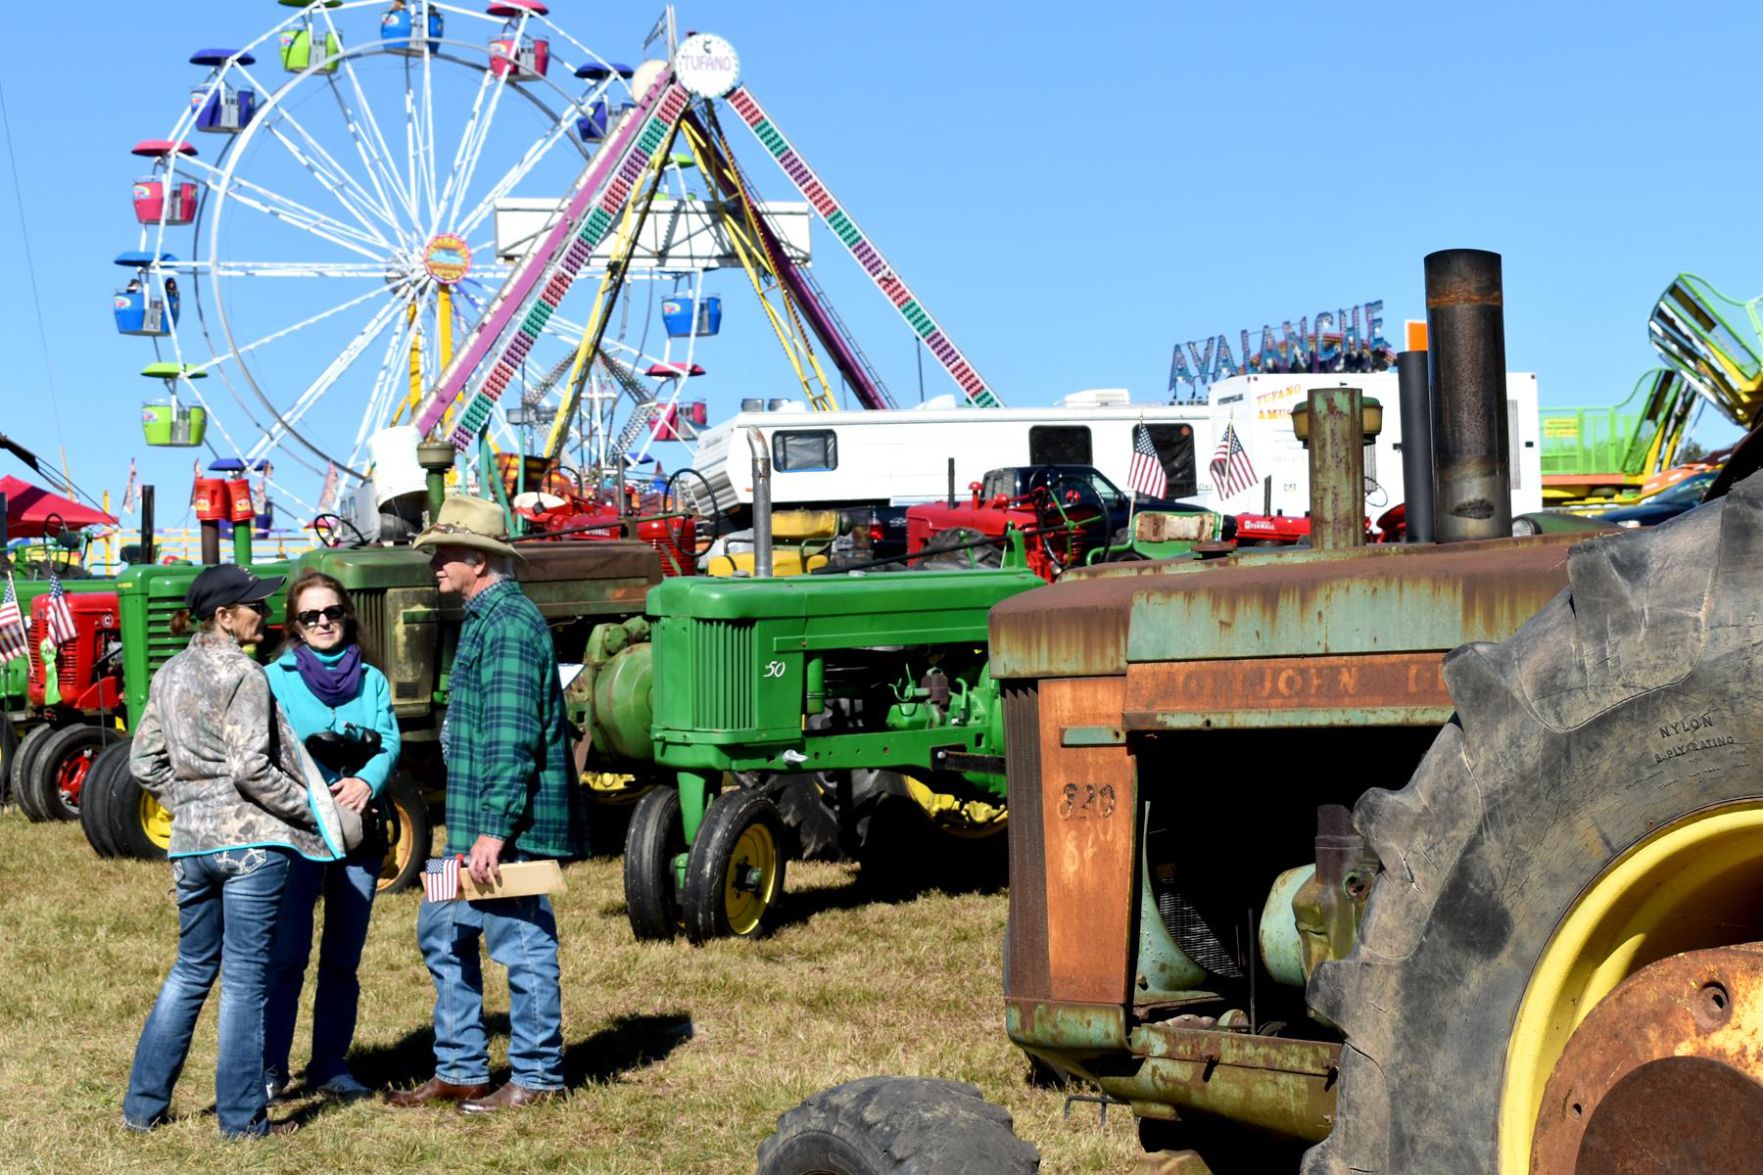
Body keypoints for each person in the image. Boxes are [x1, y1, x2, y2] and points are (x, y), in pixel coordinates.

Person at [124, 565, 350, 1138]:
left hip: (191, 848)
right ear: (224, 617)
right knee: (247, 979)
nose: (265, 614)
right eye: (253, 605)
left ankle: (141, 1109)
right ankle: (242, 1122)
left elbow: (142, 763)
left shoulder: (169, 673)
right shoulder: (246, 675)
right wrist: (316, 812)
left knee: (191, 970)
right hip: (252, 845)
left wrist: (193, 806)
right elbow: (252, 769)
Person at [387, 496, 586, 1114]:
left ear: (478, 557)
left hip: (504, 829)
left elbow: (511, 736)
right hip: (472, 826)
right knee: (442, 930)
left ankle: (536, 1076)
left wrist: (494, 832)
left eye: (443, 552)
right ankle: (462, 1070)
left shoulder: (509, 624)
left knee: (519, 940)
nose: (434, 563)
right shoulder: (482, 616)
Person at [262, 571, 401, 1101]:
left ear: (346, 615)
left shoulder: (373, 680)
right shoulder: (274, 678)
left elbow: (389, 740)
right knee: (286, 956)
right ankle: (272, 1066)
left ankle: (329, 1064)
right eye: (310, 616)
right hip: (297, 832)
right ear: (294, 625)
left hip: (359, 832)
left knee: (343, 959)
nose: (323, 623)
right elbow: (266, 751)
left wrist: (367, 780)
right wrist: (312, 789)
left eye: (332, 612)